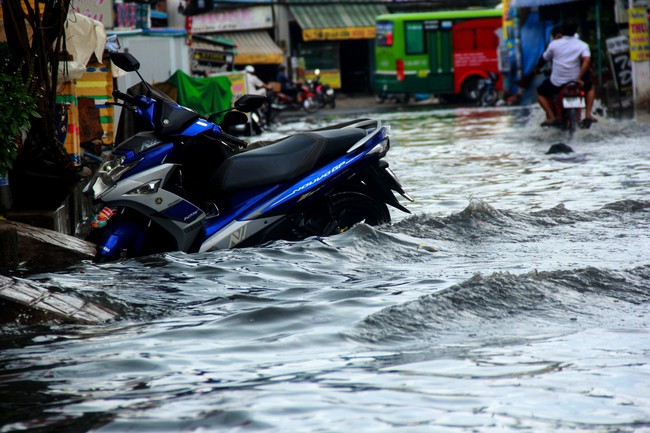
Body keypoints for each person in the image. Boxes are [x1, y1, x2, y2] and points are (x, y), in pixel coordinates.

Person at [536, 20, 597, 128]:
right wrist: (578, 77)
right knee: (590, 87)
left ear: (562, 31)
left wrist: (537, 69)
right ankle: (588, 115)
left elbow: (544, 59)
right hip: (576, 82)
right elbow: (587, 60)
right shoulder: (582, 45)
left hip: (557, 83)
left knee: (540, 93)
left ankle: (551, 117)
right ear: (576, 31)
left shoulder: (553, 45)